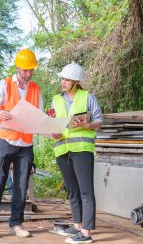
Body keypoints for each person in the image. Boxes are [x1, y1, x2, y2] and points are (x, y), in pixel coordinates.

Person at [0, 49, 43, 240]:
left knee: (21, 185)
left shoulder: (36, 90)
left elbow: (39, 116)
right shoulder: (4, 85)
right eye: (25, 70)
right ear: (17, 67)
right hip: (5, 141)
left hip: (25, 144)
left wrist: (46, 122)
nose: (28, 74)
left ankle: (16, 223)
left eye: (31, 70)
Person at [49, 62, 103, 244]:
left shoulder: (88, 97)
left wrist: (88, 125)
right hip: (62, 149)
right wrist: (52, 131)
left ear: (76, 81)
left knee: (85, 191)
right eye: (62, 78)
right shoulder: (56, 99)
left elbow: (99, 120)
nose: (63, 82)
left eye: (67, 79)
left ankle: (86, 233)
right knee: (72, 190)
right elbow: (53, 123)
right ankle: (78, 225)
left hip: (82, 150)